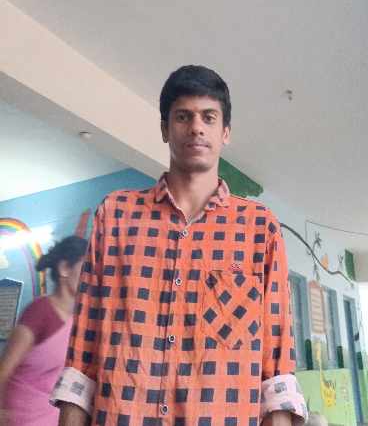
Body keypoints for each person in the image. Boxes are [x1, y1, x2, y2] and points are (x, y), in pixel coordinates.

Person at [53, 65, 308, 426]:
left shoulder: (259, 228)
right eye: (183, 116)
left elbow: (277, 369)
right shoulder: (117, 214)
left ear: (225, 132)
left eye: (209, 117)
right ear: (164, 129)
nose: (196, 127)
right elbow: (83, 349)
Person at [0, 235, 87, 426]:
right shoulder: (40, 312)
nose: (90, 277)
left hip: (52, 417)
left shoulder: (79, 319)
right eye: (85, 268)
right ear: (64, 269)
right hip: (20, 417)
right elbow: (4, 369)